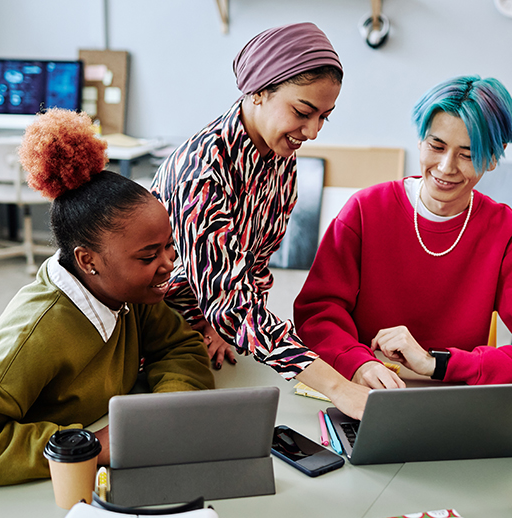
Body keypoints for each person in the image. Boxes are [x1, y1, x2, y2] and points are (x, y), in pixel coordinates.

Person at [0, 109, 214, 503]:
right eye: (149, 255)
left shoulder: (131, 293)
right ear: (88, 261)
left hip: (59, 483)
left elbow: (178, 346)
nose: (168, 263)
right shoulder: (39, 331)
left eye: (169, 245)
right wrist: (91, 445)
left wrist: (161, 415)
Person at [294, 75, 512, 389]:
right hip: (362, 387)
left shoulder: (509, 237)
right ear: (420, 141)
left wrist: (435, 362)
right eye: (436, 146)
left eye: (467, 155)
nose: (445, 167)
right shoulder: (365, 211)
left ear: (494, 156)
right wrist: (357, 363)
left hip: (449, 397)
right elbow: (316, 314)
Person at [151, 22, 369, 418]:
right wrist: (337, 387)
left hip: (209, 328)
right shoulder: (201, 172)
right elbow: (231, 303)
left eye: (325, 117)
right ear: (257, 91)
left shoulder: (279, 159)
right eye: (303, 112)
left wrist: (218, 326)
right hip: (153, 332)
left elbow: (253, 266)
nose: (313, 132)